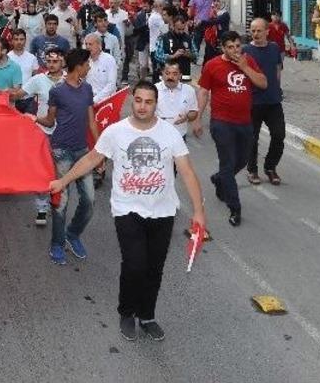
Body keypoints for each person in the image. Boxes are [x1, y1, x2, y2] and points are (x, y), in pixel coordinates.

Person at [49, 81, 207, 342]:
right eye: (139, 100)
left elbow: (188, 172)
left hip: (163, 210)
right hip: (127, 209)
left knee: (154, 267)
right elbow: (91, 159)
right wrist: (63, 181)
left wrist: (199, 211)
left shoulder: (169, 133)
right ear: (132, 101)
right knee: (135, 264)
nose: (143, 106)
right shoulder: (115, 132)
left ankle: (147, 315)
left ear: (156, 104)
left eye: (149, 102)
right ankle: (126, 311)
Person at [196, 31, 267, 227]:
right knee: (228, 163)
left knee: (242, 160)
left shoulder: (248, 61)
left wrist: (245, 68)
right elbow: (203, 92)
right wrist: (198, 118)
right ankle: (235, 207)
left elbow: (263, 83)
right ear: (223, 48)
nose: (235, 50)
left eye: (238, 46)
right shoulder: (212, 65)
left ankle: (219, 179)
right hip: (221, 122)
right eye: (230, 47)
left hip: (244, 121)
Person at [37, 48, 97, 265]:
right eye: (87, 64)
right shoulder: (58, 91)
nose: (89, 68)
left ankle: (73, 234)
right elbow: (50, 121)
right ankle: (57, 243)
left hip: (83, 152)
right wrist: (31, 118)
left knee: (89, 200)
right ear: (78, 66)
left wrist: (99, 152)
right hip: (61, 151)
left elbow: (92, 122)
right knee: (61, 202)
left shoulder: (88, 89)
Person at [22, 48, 66, 226]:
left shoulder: (70, 80)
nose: (52, 64)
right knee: (42, 170)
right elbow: (18, 94)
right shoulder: (38, 79)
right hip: (42, 132)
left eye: (55, 61)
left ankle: (58, 203)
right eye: (48, 61)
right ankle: (41, 208)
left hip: (64, 133)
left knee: (61, 170)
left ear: (62, 61)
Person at [244, 19, 287, 185]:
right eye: (253, 31)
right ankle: (252, 170)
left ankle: (270, 167)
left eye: (259, 30)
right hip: (253, 102)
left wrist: (277, 89)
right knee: (252, 138)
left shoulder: (274, 48)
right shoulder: (246, 51)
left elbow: (277, 69)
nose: (255, 34)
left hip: (273, 101)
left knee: (278, 135)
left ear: (267, 31)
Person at [155, 60, 199, 140]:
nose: (170, 77)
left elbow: (194, 112)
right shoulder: (154, 90)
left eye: (175, 74)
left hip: (180, 135)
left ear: (180, 75)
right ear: (162, 74)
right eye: (167, 73)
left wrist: (186, 117)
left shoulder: (189, 90)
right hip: (158, 135)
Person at [157, 12, 194, 82]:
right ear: (173, 26)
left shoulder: (189, 38)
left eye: (183, 29)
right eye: (178, 29)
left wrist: (189, 55)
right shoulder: (163, 37)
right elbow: (158, 56)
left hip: (184, 76)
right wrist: (173, 56)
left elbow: (196, 56)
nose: (181, 32)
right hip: (167, 76)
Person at [84, 33, 119, 104]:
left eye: (90, 44)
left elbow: (111, 85)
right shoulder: (85, 61)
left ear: (99, 45)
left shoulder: (109, 59)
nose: (87, 47)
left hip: (106, 101)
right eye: (86, 44)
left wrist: (95, 100)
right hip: (88, 101)